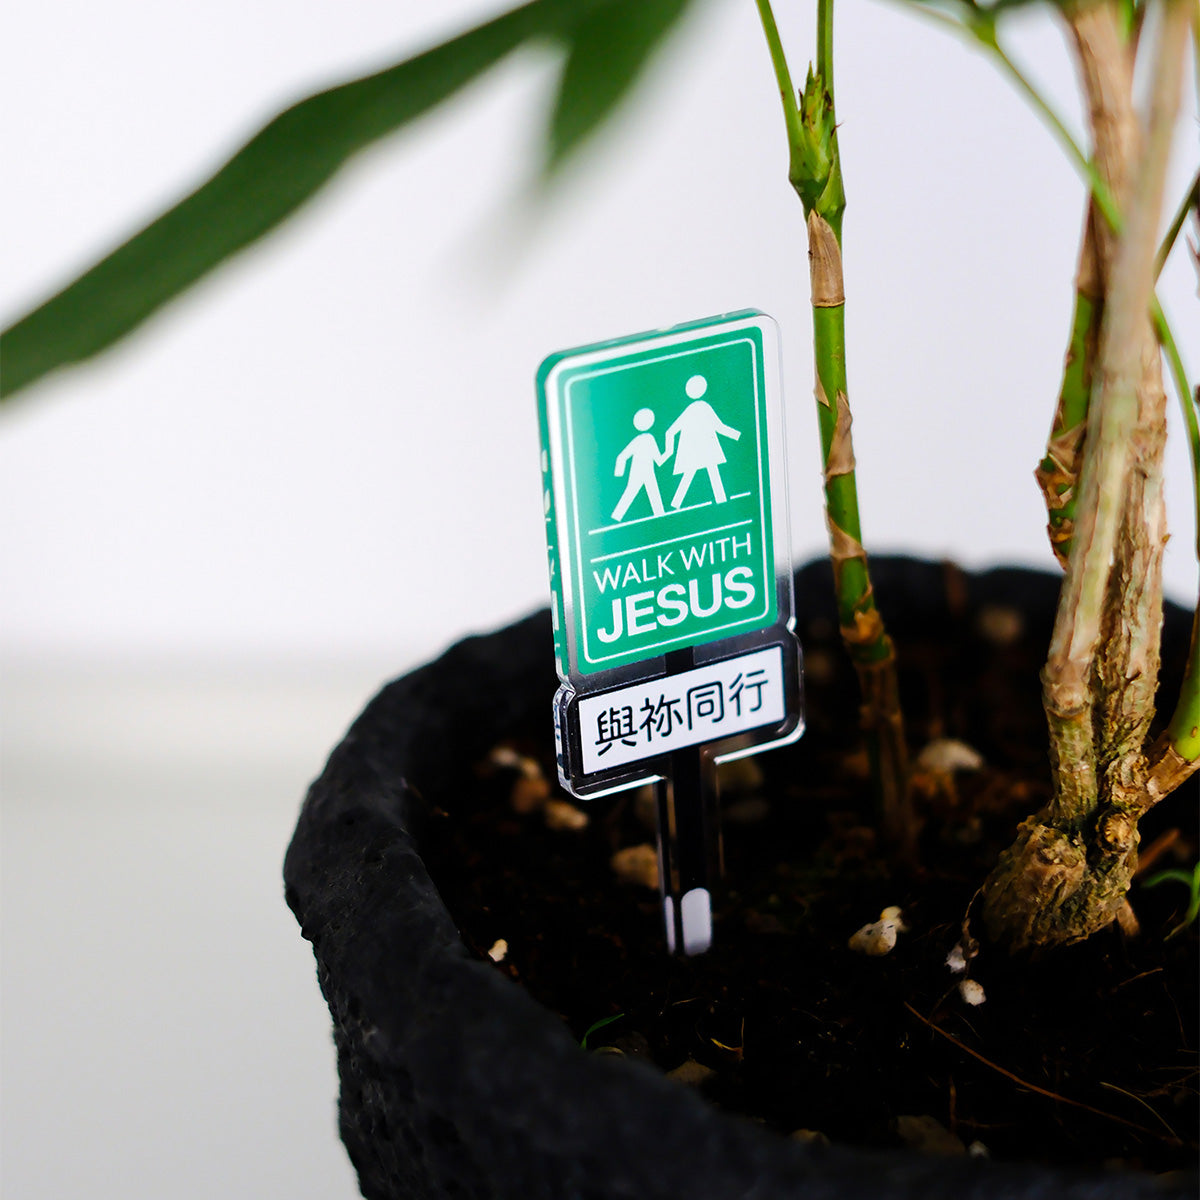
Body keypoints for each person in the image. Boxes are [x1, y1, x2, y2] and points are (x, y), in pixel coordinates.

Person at [664, 375, 741, 509]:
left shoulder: (695, 409)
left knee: (704, 472)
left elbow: (670, 431)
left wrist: (737, 435)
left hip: (702, 449)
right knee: (699, 472)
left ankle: (677, 503)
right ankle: (677, 503)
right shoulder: (701, 408)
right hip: (701, 449)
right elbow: (719, 427)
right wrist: (735, 435)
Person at [611, 407, 668, 521]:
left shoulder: (647, 439)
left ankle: (661, 515)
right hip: (639, 472)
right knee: (633, 491)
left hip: (647, 472)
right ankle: (617, 515)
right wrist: (619, 473)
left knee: (652, 491)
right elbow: (623, 456)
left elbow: (657, 459)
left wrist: (668, 453)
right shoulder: (644, 440)